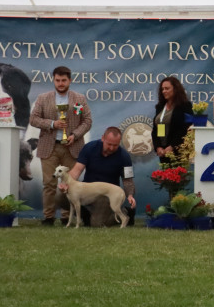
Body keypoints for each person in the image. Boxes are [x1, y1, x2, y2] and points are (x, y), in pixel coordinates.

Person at [30, 66, 93, 226]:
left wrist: (75, 135)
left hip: (72, 147)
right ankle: (48, 216)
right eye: (57, 80)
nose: (60, 83)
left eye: (64, 80)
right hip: (49, 147)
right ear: (53, 80)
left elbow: (87, 121)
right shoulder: (43, 98)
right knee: (49, 184)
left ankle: (67, 216)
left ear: (70, 80)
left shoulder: (79, 99)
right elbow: (33, 119)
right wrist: (52, 123)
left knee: (70, 184)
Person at [66, 126, 137, 227]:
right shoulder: (89, 148)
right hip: (87, 191)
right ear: (103, 138)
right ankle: (86, 214)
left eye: (115, 145)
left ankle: (125, 212)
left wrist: (130, 195)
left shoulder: (124, 156)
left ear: (119, 142)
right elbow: (77, 170)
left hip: (106, 195)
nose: (112, 148)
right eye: (109, 144)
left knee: (97, 224)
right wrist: (66, 184)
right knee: (61, 196)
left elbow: (128, 180)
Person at [152, 76, 193, 163]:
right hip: (163, 152)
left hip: (178, 151)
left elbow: (186, 129)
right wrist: (158, 147)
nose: (164, 91)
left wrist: (172, 146)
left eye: (167, 88)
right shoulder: (160, 107)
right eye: (162, 89)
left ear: (176, 89)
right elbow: (158, 128)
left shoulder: (185, 106)